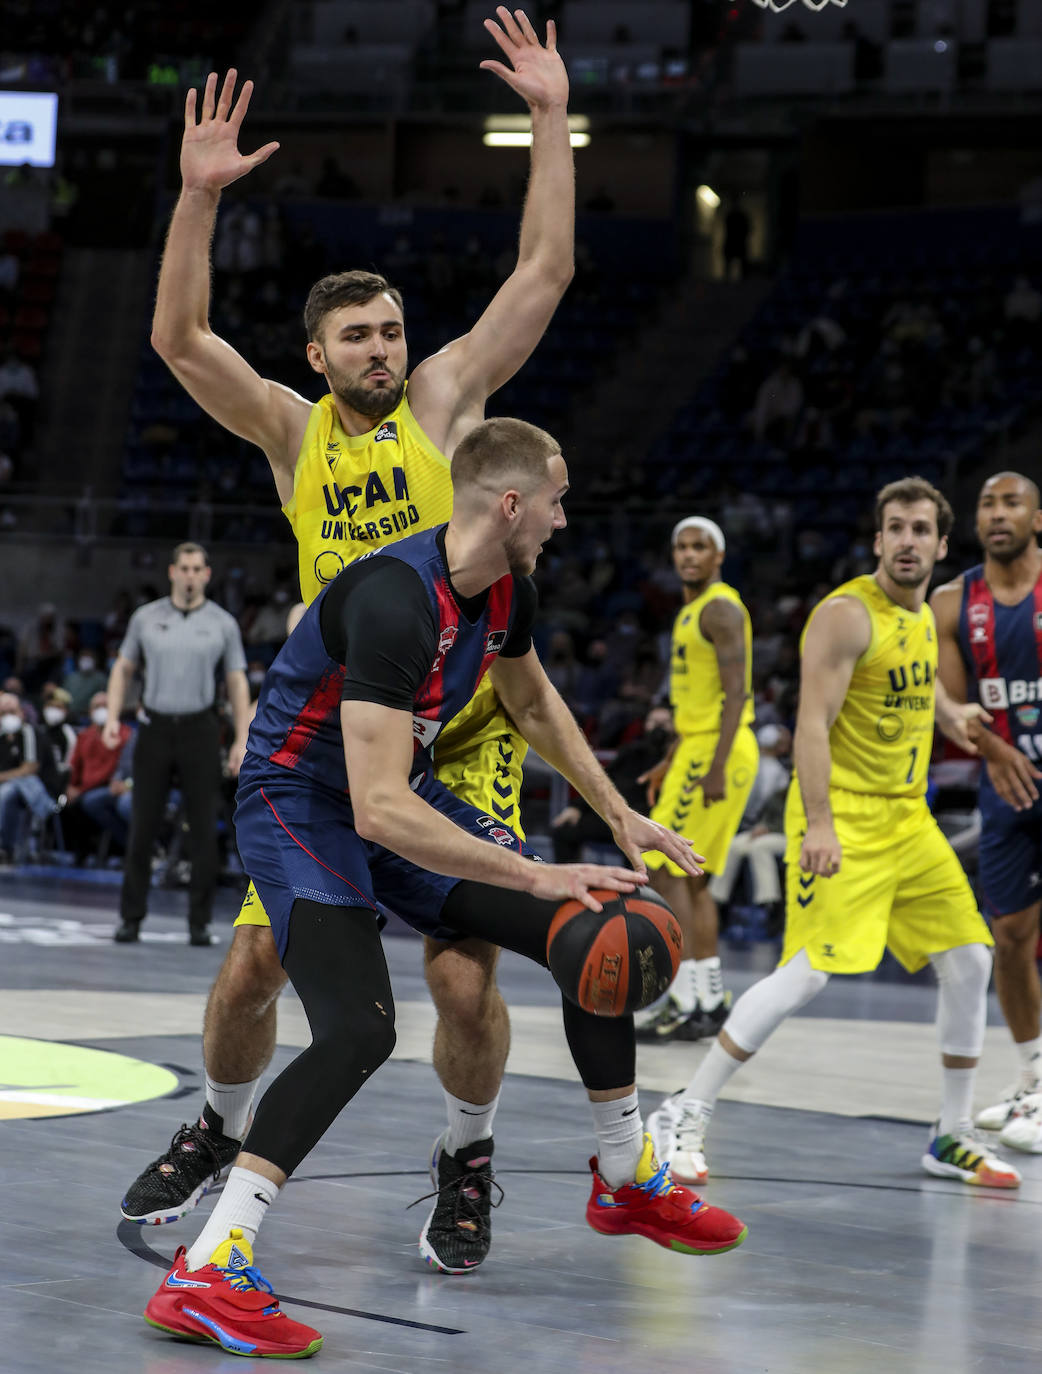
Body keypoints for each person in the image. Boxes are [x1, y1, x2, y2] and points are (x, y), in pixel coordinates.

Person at [121, 9, 583, 1274]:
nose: (382, 349)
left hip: (464, 727)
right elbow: (176, 341)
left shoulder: (444, 400)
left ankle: (466, 1156)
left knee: (463, 985)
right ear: (317, 356)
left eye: (391, 329)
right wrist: (197, 198)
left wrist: (551, 117)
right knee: (252, 971)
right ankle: (218, 1129)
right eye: (357, 338)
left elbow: (541, 276)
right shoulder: (289, 433)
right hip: (341, 735)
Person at [142, 419, 747, 1359]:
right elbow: (378, 811)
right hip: (302, 800)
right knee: (360, 1029)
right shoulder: (395, 600)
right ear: (510, 505)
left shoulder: (507, 591)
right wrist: (531, 865)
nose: (562, 515)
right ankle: (209, 1269)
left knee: (593, 914)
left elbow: (533, 699)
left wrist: (617, 813)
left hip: (391, 791)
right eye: (554, 497)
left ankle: (626, 1173)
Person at [647, 478, 1022, 1192]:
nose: (908, 541)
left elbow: (911, 685)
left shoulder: (917, 619)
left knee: (971, 960)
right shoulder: (848, 614)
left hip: (907, 818)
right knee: (808, 972)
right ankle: (682, 1112)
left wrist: (952, 713)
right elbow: (812, 723)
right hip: (842, 812)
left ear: (942, 545)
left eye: (921, 530)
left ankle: (950, 1133)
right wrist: (819, 822)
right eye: (895, 528)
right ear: (878, 540)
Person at [931, 471, 1042, 1152]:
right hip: (1008, 787)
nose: (997, 515)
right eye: (987, 505)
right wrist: (994, 747)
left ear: (1038, 518)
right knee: (1010, 940)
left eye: (1012, 504)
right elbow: (952, 709)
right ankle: (1034, 1078)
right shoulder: (952, 602)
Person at [637, 517, 758, 1043]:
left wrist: (713, 765)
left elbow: (738, 694)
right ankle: (706, 999)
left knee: (665, 864)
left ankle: (687, 999)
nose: (688, 555)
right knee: (690, 876)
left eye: (699, 547)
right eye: (680, 546)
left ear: (718, 557)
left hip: (719, 749)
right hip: (698, 746)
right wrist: (674, 757)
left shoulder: (719, 608)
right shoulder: (692, 610)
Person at [104, 542, 250, 945]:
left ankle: (199, 922)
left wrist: (241, 737)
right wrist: (113, 716)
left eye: (196, 569)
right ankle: (130, 918)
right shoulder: (145, 618)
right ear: (172, 572)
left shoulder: (222, 623)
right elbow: (124, 668)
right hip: (154, 729)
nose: (189, 575)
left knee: (202, 828)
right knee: (142, 825)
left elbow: (237, 680)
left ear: (207, 574)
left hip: (201, 729)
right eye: (183, 568)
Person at [550, 703, 674, 864]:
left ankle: (635, 887)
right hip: (614, 816)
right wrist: (576, 807)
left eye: (664, 723)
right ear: (645, 724)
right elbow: (602, 779)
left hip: (650, 821)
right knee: (563, 830)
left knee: (639, 844)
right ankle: (571, 883)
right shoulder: (630, 751)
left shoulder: (677, 758)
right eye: (653, 722)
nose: (658, 728)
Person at [708, 723, 791, 924]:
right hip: (762, 829)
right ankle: (716, 900)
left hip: (785, 833)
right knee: (734, 846)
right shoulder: (757, 767)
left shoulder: (782, 774)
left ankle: (768, 903)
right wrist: (760, 827)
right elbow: (766, 811)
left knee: (758, 848)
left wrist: (768, 828)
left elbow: (791, 817)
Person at [61, 691, 132, 859]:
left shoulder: (124, 735)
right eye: (97, 707)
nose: (101, 710)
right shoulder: (84, 736)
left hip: (109, 787)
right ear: (90, 711)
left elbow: (113, 771)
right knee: (65, 804)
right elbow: (74, 766)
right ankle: (79, 854)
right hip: (85, 788)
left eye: (105, 706)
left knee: (91, 802)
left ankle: (126, 846)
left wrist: (82, 789)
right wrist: (71, 786)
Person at [0, 690, 56, 863]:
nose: (8, 716)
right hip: (10, 783)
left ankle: (5, 847)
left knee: (5, 794)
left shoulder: (30, 732)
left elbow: (30, 768)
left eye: (12, 711)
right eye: (3, 713)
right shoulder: (2, 736)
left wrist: (2, 777)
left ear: (22, 713)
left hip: (38, 787)